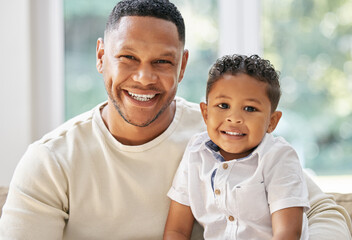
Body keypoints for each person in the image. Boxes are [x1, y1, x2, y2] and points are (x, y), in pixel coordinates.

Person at [0, 0, 351, 239]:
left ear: (182, 66)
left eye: (162, 62)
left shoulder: (223, 131)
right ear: (101, 56)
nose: (143, 78)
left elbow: (323, 211)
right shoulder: (50, 161)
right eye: (127, 57)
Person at [164, 54, 310, 240]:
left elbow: (288, 233)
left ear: (272, 122)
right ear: (206, 113)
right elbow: (176, 230)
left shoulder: (279, 158)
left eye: (249, 108)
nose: (234, 118)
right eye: (223, 105)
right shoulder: (195, 153)